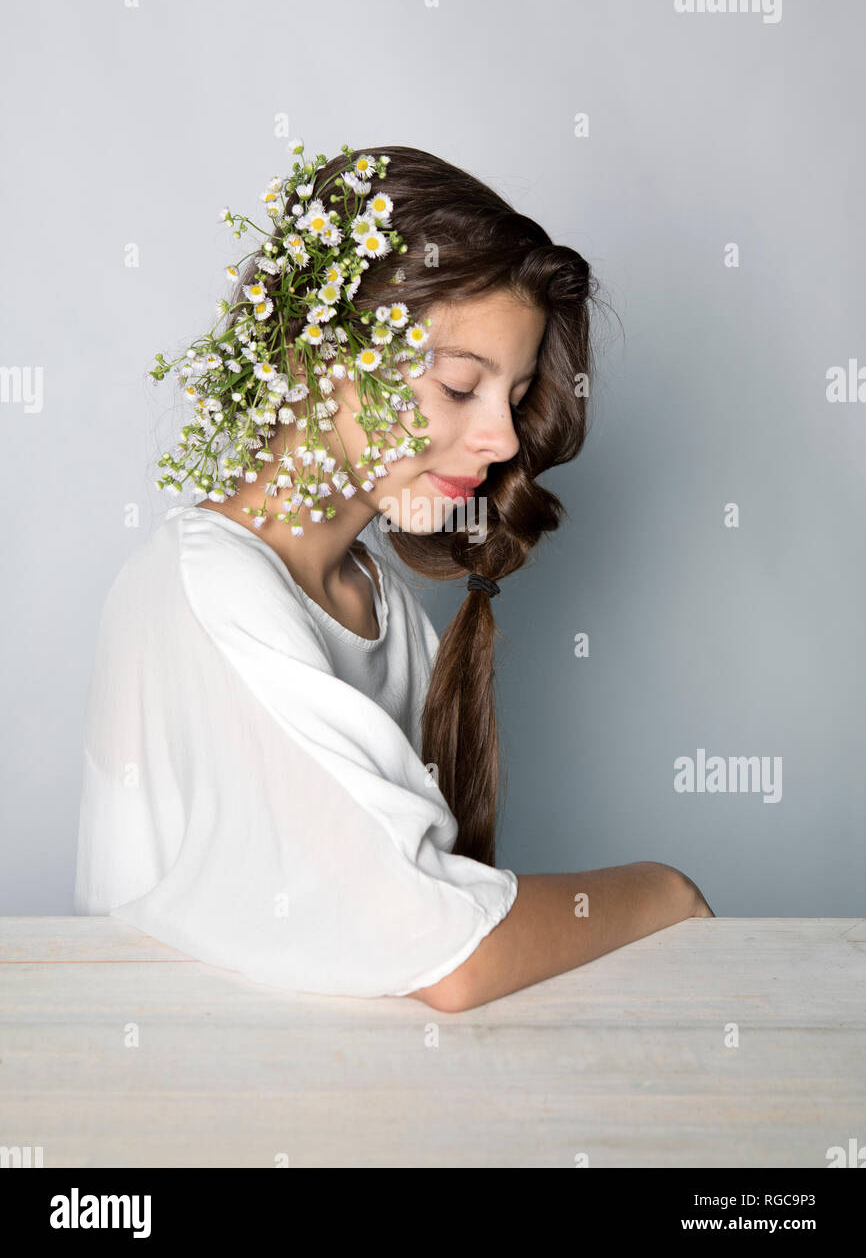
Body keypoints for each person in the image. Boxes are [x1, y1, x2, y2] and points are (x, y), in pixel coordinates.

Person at [73, 142, 713, 1013]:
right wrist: (664, 888)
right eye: (459, 387)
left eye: (515, 399)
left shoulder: (382, 606)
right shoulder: (207, 591)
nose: (502, 442)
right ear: (313, 361)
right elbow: (444, 951)